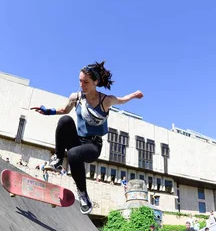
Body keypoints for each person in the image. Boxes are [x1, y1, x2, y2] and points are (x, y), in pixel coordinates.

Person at [32, 61, 143, 214]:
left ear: (95, 82)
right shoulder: (75, 97)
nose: (81, 85)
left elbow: (122, 100)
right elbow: (64, 110)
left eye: (86, 82)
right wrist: (48, 111)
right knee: (65, 121)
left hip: (93, 146)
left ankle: (83, 195)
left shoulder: (105, 101)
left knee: (73, 154)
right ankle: (58, 159)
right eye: (80, 81)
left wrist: (134, 95)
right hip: (77, 140)